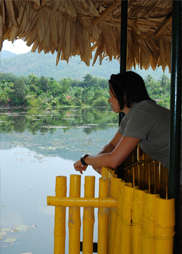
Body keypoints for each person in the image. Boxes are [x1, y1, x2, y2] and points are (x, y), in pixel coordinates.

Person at [74, 71, 170, 175]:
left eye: (111, 95)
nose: (108, 100)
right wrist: (96, 160)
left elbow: (113, 160)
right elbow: (112, 145)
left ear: (124, 94)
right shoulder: (134, 113)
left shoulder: (142, 114)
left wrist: (85, 159)